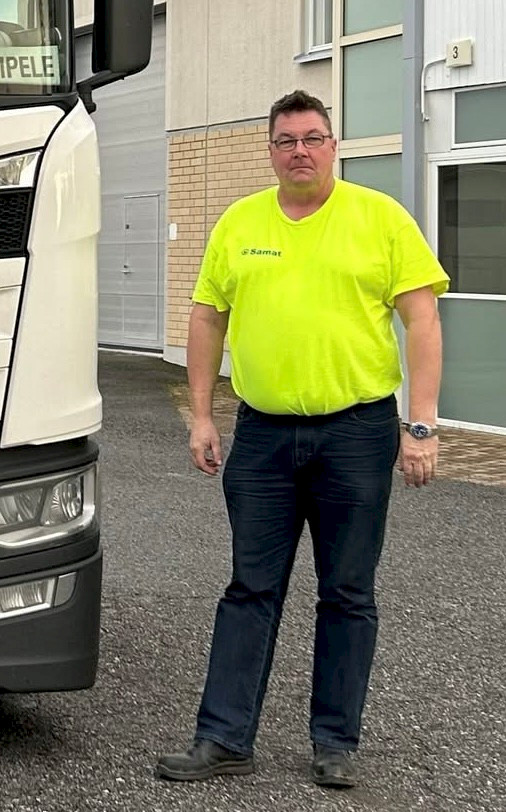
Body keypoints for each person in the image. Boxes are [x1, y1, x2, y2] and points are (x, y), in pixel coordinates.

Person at [156, 89, 449, 788]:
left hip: (356, 433)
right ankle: (224, 738)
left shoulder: (380, 219)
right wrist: (202, 415)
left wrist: (422, 424)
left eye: (313, 138)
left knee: (347, 591)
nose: (300, 152)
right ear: (270, 151)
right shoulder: (239, 222)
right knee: (250, 588)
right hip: (262, 437)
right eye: (286, 141)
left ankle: (334, 743)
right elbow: (206, 316)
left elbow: (422, 319)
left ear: (333, 146)